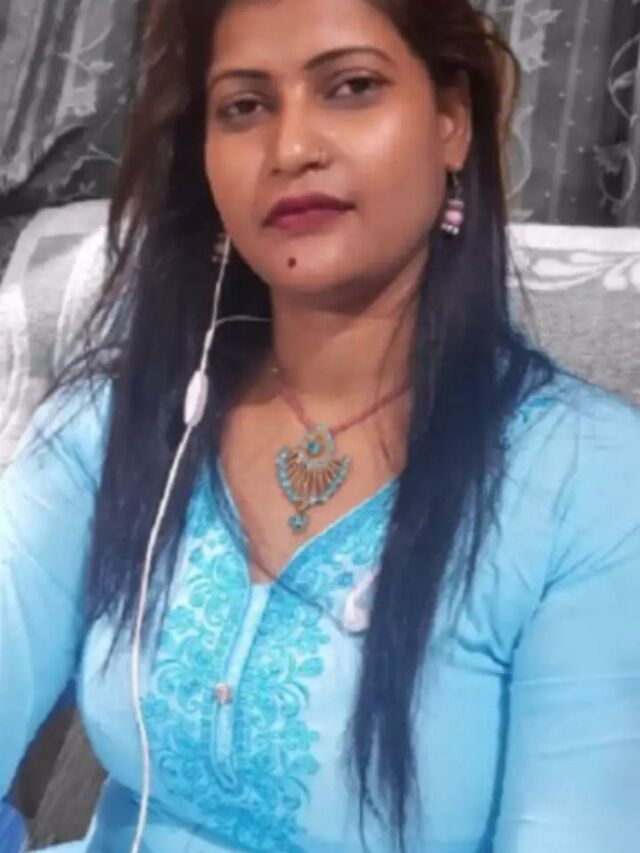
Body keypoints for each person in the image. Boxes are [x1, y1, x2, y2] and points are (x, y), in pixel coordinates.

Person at [1, 0, 639, 850]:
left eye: (351, 87)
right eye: (244, 106)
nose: (292, 147)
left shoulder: (588, 484)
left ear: (451, 119)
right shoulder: (118, 420)